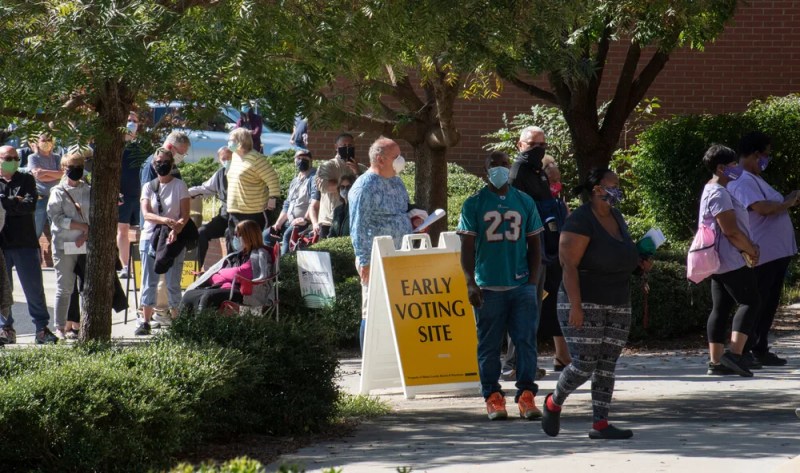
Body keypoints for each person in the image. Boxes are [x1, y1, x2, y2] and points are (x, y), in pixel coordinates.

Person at [541, 167, 650, 440]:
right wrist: (576, 306)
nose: (618, 190)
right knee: (585, 363)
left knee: (607, 364)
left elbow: (618, 254)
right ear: (597, 189)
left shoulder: (617, 216)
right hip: (583, 300)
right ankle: (553, 402)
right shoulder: (580, 221)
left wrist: (639, 263)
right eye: (613, 184)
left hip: (617, 300)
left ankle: (600, 423)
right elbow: (569, 266)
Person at [457, 151, 544, 421]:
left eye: (504, 164)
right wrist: (471, 282)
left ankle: (527, 395)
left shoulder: (525, 201)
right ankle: (492, 396)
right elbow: (467, 248)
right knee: (489, 346)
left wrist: (531, 282)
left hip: (520, 285)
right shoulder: (474, 203)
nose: (500, 169)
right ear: (485, 169)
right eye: (494, 165)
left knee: (526, 342)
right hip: (488, 286)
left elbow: (535, 246)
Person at [503, 126, 569, 380]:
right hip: (524, 249)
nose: (537, 149)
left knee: (532, 308)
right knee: (523, 305)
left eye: (541, 145)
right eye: (531, 144)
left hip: (539, 247)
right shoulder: (518, 171)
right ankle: (514, 363)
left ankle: (524, 362)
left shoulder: (538, 171)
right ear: (520, 145)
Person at [728, 132, 799, 367]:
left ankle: (760, 347)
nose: (766, 160)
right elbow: (761, 208)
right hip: (762, 254)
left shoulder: (753, 178)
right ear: (755, 154)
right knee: (756, 302)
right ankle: (744, 350)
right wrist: (787, 202)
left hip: (775, 253)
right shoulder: (741, 180)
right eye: (765, 155)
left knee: (768, 303)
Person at [694, 145, 761, 377]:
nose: (737, 169)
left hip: (719, 260)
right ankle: (735, 354)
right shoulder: (719, 193)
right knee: (750, 301)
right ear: (721, 168)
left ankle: (716, 361)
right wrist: (750, 249)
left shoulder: (712, 189)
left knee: (721, 307)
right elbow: (730, 230)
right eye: (733, 165)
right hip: (730, 257)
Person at [349, 137, 412, 350]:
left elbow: (401, 211)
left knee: (397, 310)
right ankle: (369, 358)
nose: (400, 161)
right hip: (376, 258)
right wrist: (365, 261)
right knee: (372, 310)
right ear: (380, 159)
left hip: (400, 256)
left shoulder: (396, 181)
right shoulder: (365, 186)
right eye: (396, 157)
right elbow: (358, 225)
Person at [0, 145, 57, 344]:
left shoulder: (26, 178)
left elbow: (30, 206)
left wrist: (5, 203)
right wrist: (15, 201)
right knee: (2, 291)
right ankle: (5, 329)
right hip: (2, 245)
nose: (13, 160)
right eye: (8, 157)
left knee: (34, 289)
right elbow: (19, 205)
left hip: (26, 243)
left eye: (16, 157)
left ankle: (42, 329)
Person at [136, 148, 191, 336]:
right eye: (158, 162)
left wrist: (175, 229)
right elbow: (147, 214)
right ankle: (145, 321)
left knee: (172, 282)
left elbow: (185, 215)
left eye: (165, 161)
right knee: (148, 282)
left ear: (172, 163)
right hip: (150, 237)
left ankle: (178, 322)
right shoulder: (149, 187)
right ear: (153, 164)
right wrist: (165, 221)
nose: (161, 164)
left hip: (173, 239)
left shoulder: (180, 186)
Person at [182, 219, 274, 312]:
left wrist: (220, 273)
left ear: (247, 236)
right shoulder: (238, 254)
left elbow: (241, 273)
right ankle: (183, 325)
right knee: (189, 295)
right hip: (224, 286)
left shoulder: (259, 255)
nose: (235, 238)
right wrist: (216, 276)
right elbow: (226, 273)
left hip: (242, 293)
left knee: (208, 297)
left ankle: (202, 326)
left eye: (237, 235)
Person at [46, 152, 90, 339]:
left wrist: (86, 234)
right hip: (64, 245)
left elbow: (95, 216)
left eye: (79, 166)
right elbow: (55, 218)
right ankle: (60, 326)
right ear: (64, 169)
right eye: (72, 167)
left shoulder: (89, 189)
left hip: (85, 244)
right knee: (65, 287)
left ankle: (81, 325)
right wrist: (79, 226)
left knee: (87, 287)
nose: (76, 170)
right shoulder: (57, 192)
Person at [225, 127, 280, 248]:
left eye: (231, 140)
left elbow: (273, 179)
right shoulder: (234, 157)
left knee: (250, 247)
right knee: (235, 246)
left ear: (240, 142)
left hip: (252, 211)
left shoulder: (256, 159)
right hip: (234, 210)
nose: (229, 143)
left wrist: (273, 198)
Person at [311, 133, 367, 239]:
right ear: (336, 147)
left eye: (350, 145)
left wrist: (357, 172)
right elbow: (323, 186)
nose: (347, 148)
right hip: (329, 220)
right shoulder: (327, 166)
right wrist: (349, 184)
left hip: (353, 219)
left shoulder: (361, 168)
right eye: (343, 145)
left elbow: (367, 189)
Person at [269, 150, 320, 255]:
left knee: (288, 235)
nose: (301, 161)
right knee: (267, 235)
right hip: (289, 221)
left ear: (311, 160)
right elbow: (287, 204)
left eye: (305, 158)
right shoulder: (294, 181)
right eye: (299, 158)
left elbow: (314, 203)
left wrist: (305, 219)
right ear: (294, 160)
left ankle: (285, 265)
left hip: (304, 222)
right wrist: (278, 224)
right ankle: (271, 266)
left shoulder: (314, 178)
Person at [189, 146, 231, 270]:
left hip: (240, 216)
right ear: (219, 160)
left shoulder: (242, 172)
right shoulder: (219, 174)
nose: (226, 161)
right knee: (202, 232)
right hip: (224, 216)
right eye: (223, 159)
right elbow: (205, 189)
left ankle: (230, 270)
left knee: (231, 233)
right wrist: (185, 193)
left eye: (229, 157)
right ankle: (197, 269)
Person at [118, 112, 145, 278]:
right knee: (122, 230)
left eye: (135, 121)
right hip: (122, 195)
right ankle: (126, 266)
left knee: (144, 230)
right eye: (128, 120)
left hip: (141, 195)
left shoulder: (142, 146)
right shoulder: (116, 145)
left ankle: (142, 266)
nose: (131, 123)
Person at [28, 133, 63, 240]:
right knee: (36, 230)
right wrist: (55, 174)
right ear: (38, 143)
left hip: (56, 198)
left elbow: (62, 174)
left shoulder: (57, 157)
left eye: (49, 140)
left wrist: (44, 172)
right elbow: (37, 176)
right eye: (43, 140)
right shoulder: (33, 157)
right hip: (40, 198)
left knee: (57, 229)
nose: (46, 143)